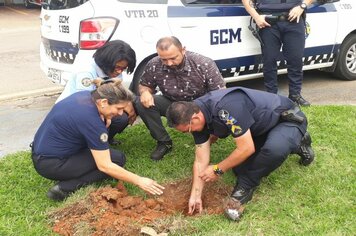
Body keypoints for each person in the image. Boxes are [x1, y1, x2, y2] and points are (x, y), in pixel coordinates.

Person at [166, 87, 314, 219]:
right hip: (260, 129)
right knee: (239, 169)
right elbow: (200, 161)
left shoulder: (225, 108)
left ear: (195, 118)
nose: (188, 133)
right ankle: (295, 143)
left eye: (187, 130)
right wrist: (195, 196)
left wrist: (218, 169)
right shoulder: (195, 115)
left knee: (273, 150)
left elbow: (246, 148)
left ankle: (246, 186)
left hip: (285, 120)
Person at [31, 81, 164, 201]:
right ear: (104, 102)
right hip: (51, 164)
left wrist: (103, 115)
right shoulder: (92, 122)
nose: (120, 113)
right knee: (116, 160)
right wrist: (139, 180)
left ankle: (69, 174)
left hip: (42, 151)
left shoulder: (85, 95)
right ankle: (64, 188)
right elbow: (104, 165)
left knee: (113, 146)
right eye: (118, 108)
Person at [135, 36, 225, 161]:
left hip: (199, 106)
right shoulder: (154, 63)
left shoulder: (204, 63)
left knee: (206, 126)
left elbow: (220, 95)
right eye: (164, 59)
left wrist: (215, 126)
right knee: (141, 102)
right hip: (172, 103)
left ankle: (202, 133)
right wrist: (144, 92)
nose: (169, 63)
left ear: (183, 50)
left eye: (173, 58)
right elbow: (145, 85)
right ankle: (164, 142)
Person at [56, 40, 137, 145]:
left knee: (121, 116)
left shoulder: (114, 70)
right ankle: (89, 143)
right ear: (107, 61)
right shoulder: (86, 72)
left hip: (97, 106)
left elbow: (117, 92)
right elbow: (83, 104)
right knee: (110, 117)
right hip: (72, 113)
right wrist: (104, 116)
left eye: (123, 68)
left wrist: (128, 104)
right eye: (117, 67)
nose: (119, 72)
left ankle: (104, 140)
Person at [242, 0, 313, 106]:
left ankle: (295, 96)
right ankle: (271, 97)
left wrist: (302, 6)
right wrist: (256, 17)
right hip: (268, 22)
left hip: (294, 21)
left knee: (295, 60)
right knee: (269, 60)